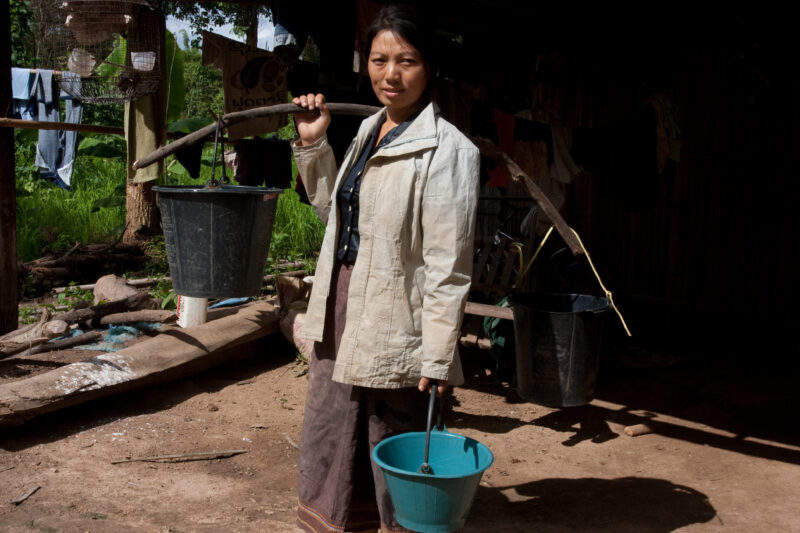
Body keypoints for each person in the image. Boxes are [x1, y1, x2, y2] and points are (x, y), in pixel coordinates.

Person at [290, 4, 479, 532]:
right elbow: (336, 217)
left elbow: (448, 267)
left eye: (407, 61)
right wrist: (314, 143)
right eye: (379, 59)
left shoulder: (449, 151)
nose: (390, 75)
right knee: (334, 424)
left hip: (398, 313)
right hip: (341, 301)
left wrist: (438, 357)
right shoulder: (368, 132)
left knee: (387, 428)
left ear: (429, 67)